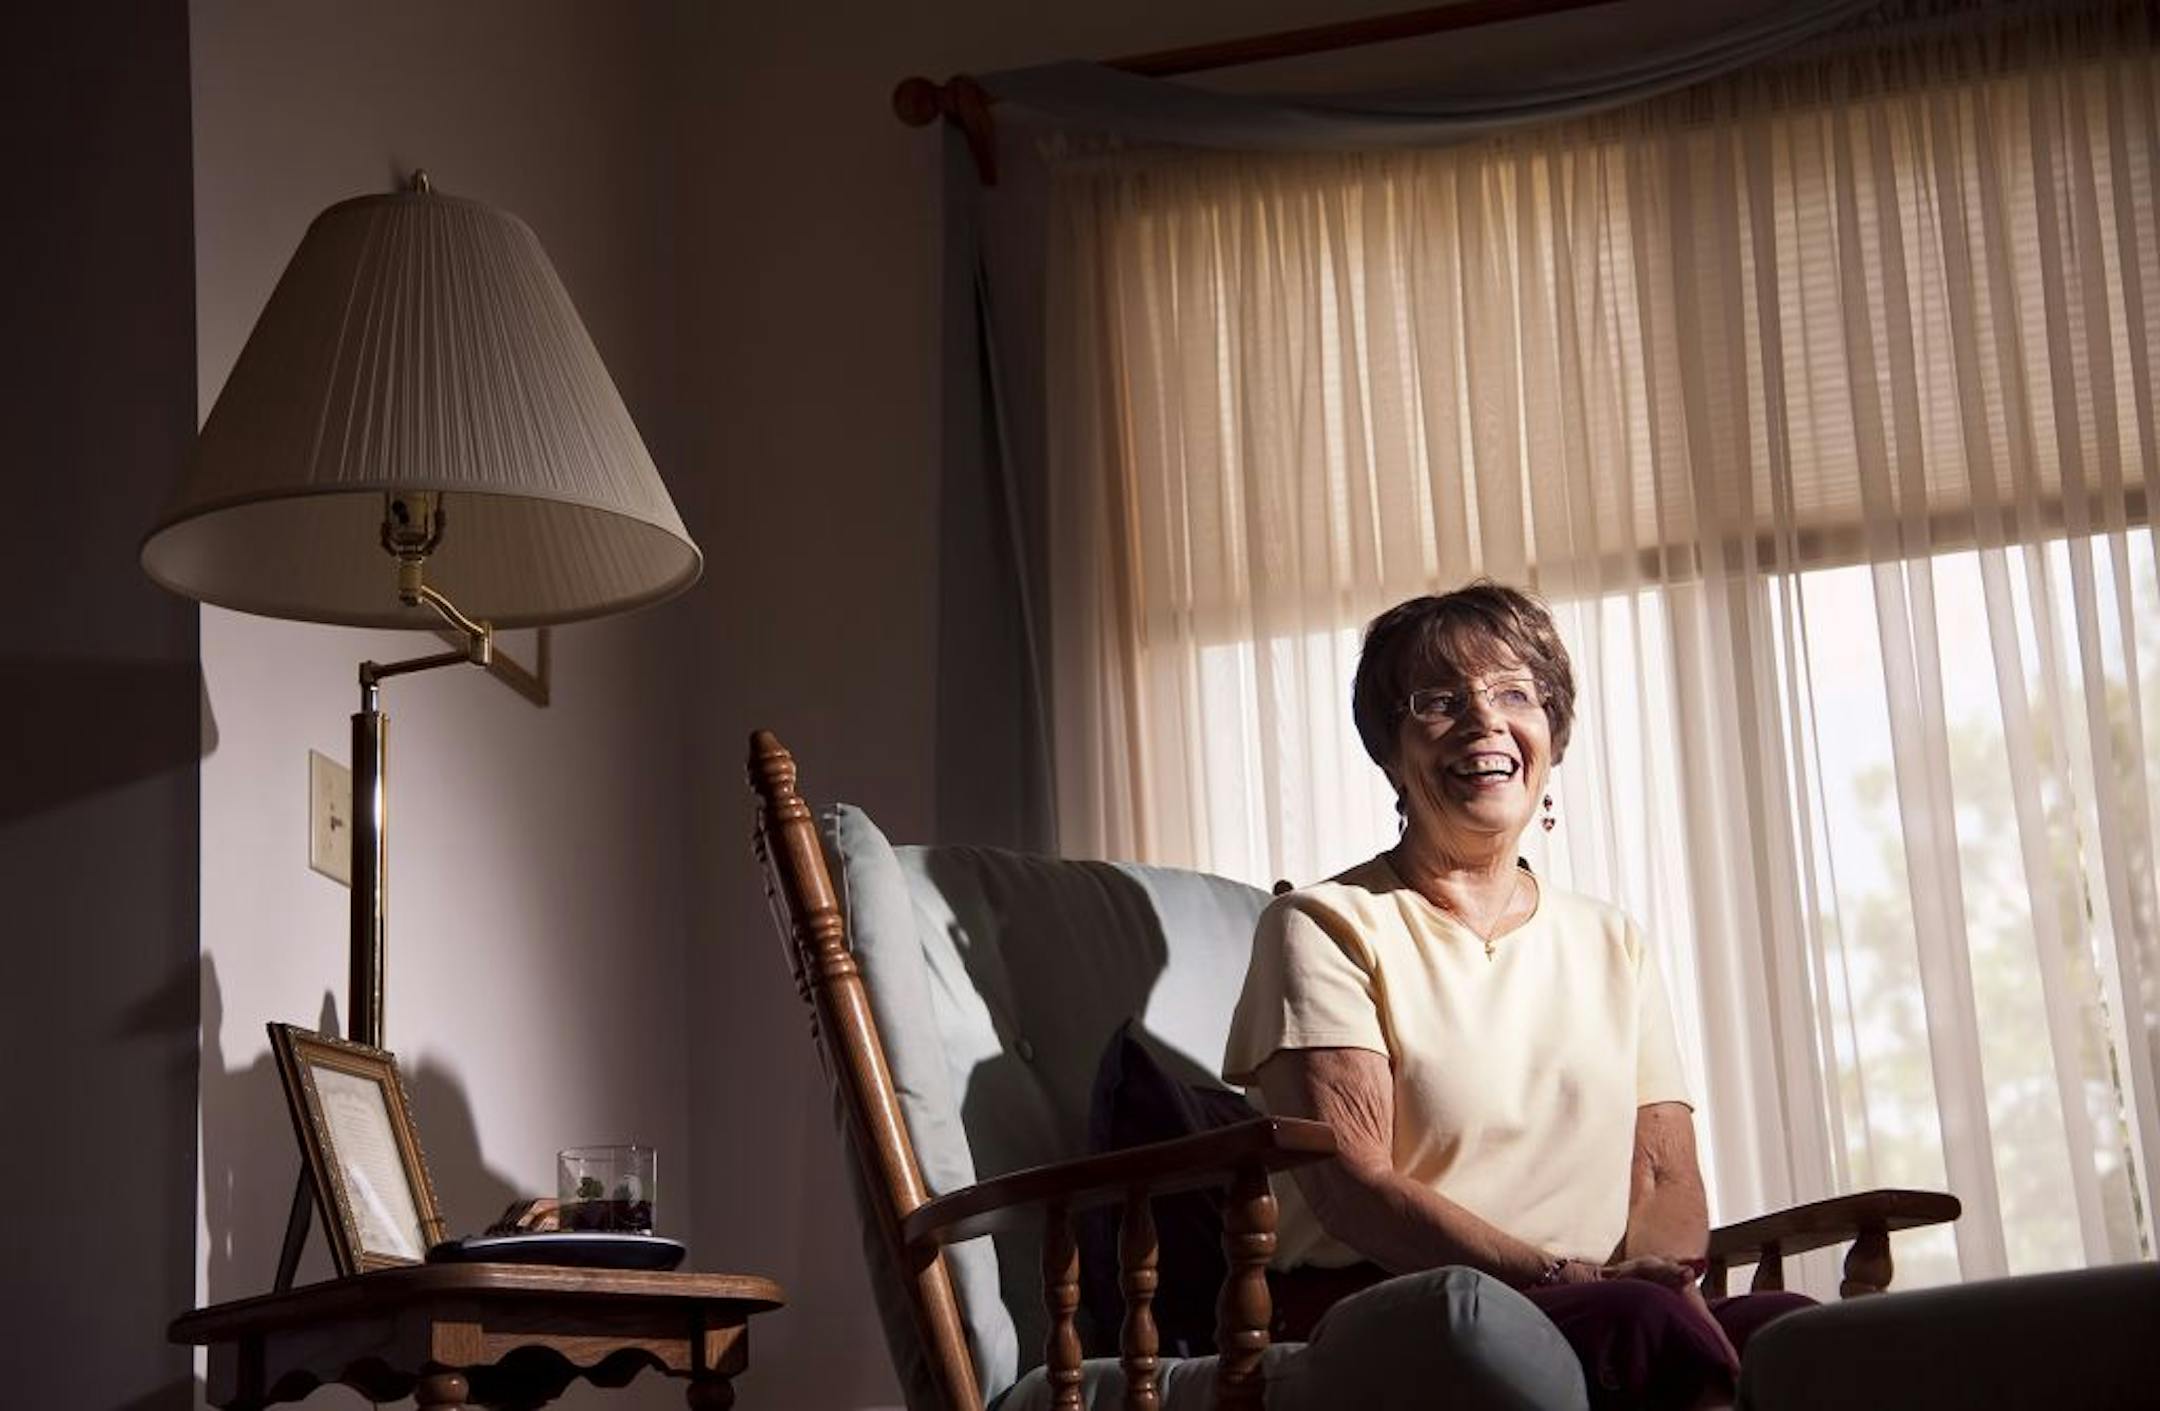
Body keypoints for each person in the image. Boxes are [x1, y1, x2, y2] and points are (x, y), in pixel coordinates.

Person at [1223, 582, 1807, 1410]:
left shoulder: (1613, 939)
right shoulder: (1322, 925)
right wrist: (1566, 1277)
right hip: (1405, 1297)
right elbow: (1355, 1189)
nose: (1483, 721)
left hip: (1597, 1299)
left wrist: (1671, 1286)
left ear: (1550, 734)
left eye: (1513, 694)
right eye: (1438, 701)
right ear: (1390, 751)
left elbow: (1662, 1176)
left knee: (1795, 1331)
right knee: (1645, 1326)